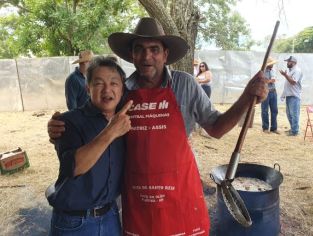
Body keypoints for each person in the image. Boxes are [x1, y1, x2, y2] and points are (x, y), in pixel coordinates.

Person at [48, 17, 268, 236]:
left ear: (166, 54)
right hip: (138, 201)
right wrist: (61, 124)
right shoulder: (122, 91)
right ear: (132, 55)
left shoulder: (185, 84)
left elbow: (217, 128)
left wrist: (246, 97)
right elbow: (96, 114)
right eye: (139, 49)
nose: (147, 56)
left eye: (154, 49)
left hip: (181, 195)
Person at [48, 56, 132, 236]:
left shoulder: (125, 118)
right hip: (74, 222)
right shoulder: (67, 122)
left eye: (114, 83)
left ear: (122, 88)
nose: (107, 89)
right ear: (88, 88)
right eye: (99, 83)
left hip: (110, 216)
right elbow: (74, 167)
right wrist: (111, 132)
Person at [280, 56, 303, 136]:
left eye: (289, 62)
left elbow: (293, 82)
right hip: (289, 95)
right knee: (289, 114)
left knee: (294, 114)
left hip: (294, 96)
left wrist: (285, 75)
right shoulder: (291, 71)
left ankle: (295, 131)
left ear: (293, 62)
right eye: (287, 62)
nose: (287, 63)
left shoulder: (297, 70)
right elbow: (287, 84)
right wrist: (283, 95)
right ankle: (293, 129)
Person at [261, 57, 279, 134]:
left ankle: (274, 128)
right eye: (271, 64)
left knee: (274, 110)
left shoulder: (273, 70)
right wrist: (270, 81)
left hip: (273, 91)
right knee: (265, 110)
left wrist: (272, 80)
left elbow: (273, 79)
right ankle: (265, 128)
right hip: (265, 92)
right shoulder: (262, 71)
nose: (273, 65)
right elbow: (261, 81)